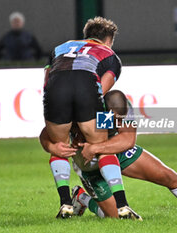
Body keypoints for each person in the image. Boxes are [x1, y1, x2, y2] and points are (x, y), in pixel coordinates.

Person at [40, 90, 177, 219]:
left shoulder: (121, 104)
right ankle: (81, 198)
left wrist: (96, 147)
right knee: (113, 218)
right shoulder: (81, 109)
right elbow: (45, 135)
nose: (119, 122)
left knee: (168, 176)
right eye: (115, 120)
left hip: (116, 152)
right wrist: (54, 148)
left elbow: (128, 139)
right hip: (89, 165)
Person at [42, 17, 130, 218]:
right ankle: (122, 205)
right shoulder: (110, 55)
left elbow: (47, 81)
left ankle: (66, 203)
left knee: (60, 145)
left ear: (87, 35)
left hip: (57, 88)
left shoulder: (60, 48)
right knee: (102, 144)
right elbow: (102, 91)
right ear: (109, 40)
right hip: (86, 86)